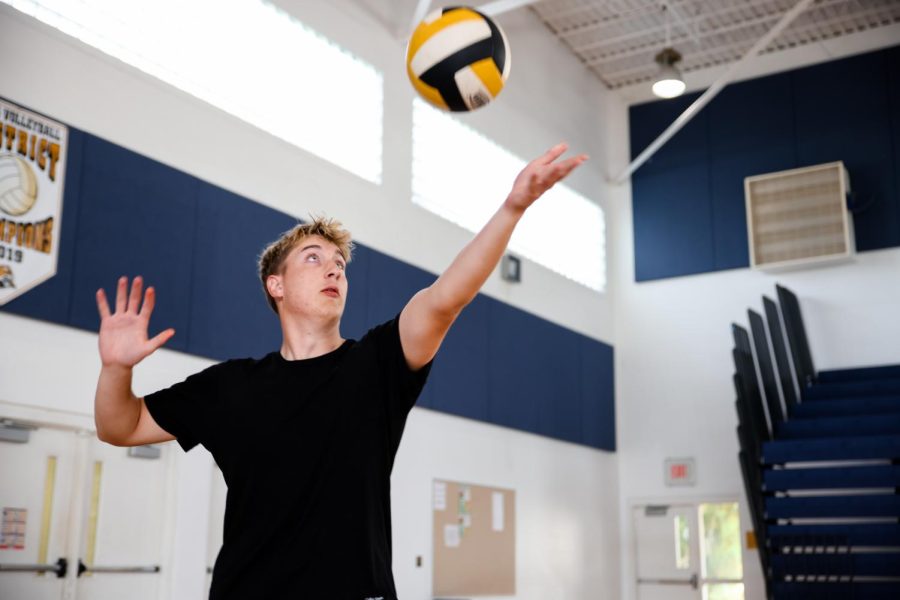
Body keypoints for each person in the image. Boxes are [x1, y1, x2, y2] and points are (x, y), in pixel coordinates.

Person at [93, 143, 587, 599]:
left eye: (339, 264)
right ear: (276, 286)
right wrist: (116, 369)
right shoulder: (229, 386)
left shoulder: (376, 366)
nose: (334, 270)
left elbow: (445, 299)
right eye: (314, 259)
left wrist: (512, 208)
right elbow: (120, 426)